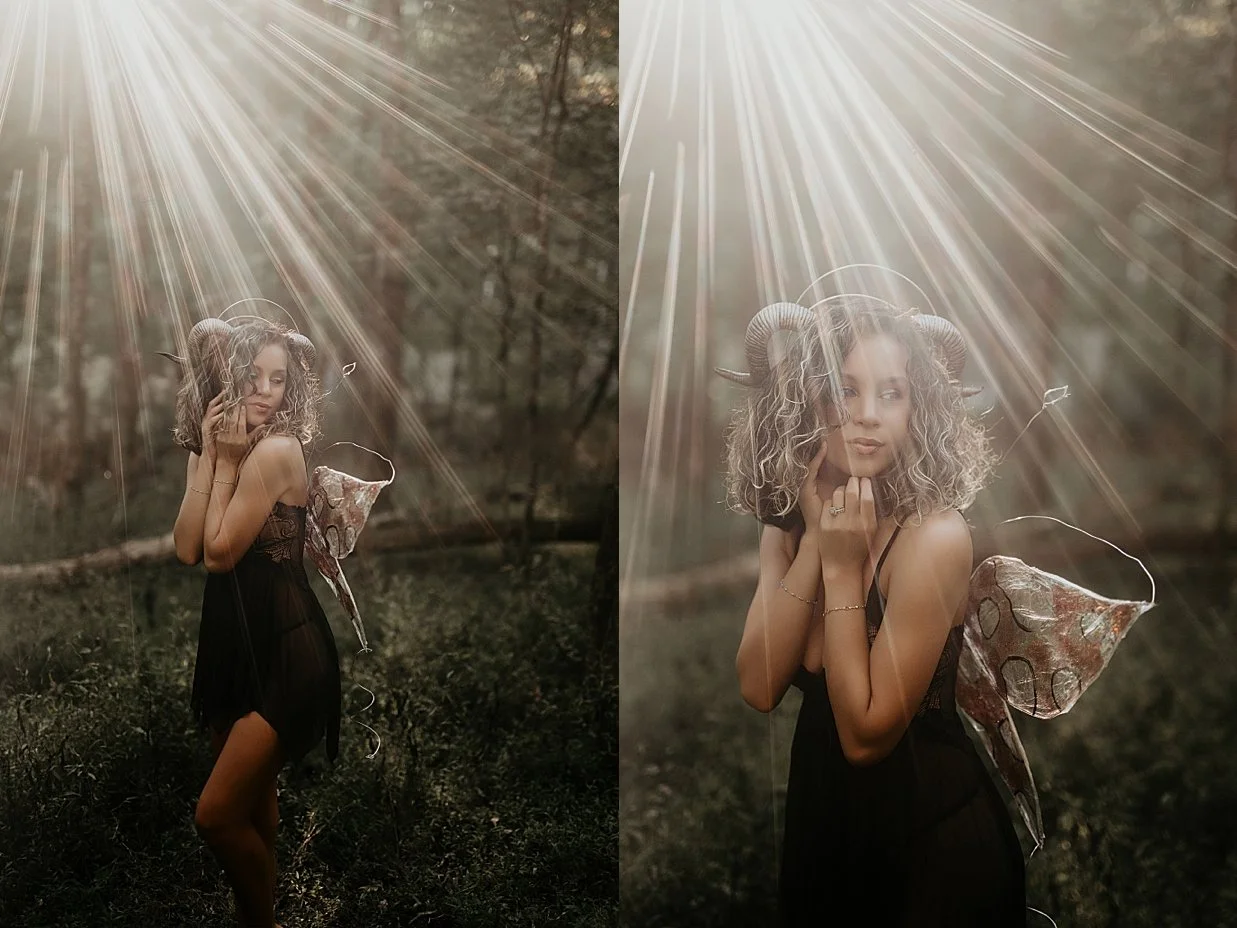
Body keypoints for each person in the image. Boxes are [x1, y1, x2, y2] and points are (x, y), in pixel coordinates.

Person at [722, 295, 1027, 926]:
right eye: (844, 389)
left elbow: (865, 737)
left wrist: (839, 569)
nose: (866, 416)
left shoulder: (933, 536)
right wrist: (813, 540)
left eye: (892, 393)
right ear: (806, 400)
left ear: (919, 410)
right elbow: (758, 685)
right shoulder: (787, 526)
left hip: (930, 844)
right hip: (826, 824)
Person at [170, 317, 341, 928]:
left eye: (278, 379)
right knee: (254, 808)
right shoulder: (220, 442)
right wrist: (212, 454)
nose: (266, 390)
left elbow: (218, 554)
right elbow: (186, 547)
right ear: (225, 377)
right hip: (231, 645)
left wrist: (225, 461)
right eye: (253, 376)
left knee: (215, 816)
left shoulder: (275, 450)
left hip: (287, 650)